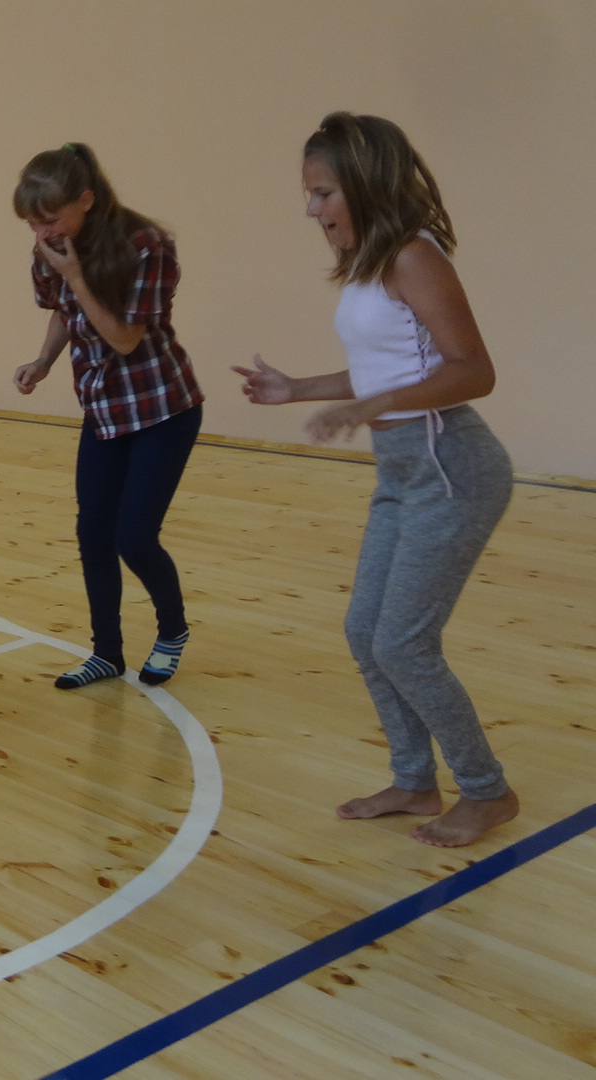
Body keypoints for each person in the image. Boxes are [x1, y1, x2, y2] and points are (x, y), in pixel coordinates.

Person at [232, 113, 517, 848]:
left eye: (323, 192)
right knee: (367, 632)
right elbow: (381, 367)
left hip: (451, 469)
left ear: (364, 184)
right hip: (403, 471)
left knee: (404, 644)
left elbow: (474, 371)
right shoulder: (369, 264)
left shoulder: (415, 257)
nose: (312, 210)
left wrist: (374, 406)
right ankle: (415, 781)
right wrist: (295, 389)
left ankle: (486, 791)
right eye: (310, 194)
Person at [11, 143, 205, 690]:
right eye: (32, 224)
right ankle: (107, 653)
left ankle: (172, 630)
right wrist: (43, 362)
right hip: (104, 411)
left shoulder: (146, 246)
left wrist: (76, 277)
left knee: (134, 536)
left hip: (162, 408)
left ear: (87, 200)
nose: (41, 233)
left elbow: (124, 340)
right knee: (93, 532)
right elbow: (63, 312)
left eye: (50, 219)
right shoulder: (53, 249)